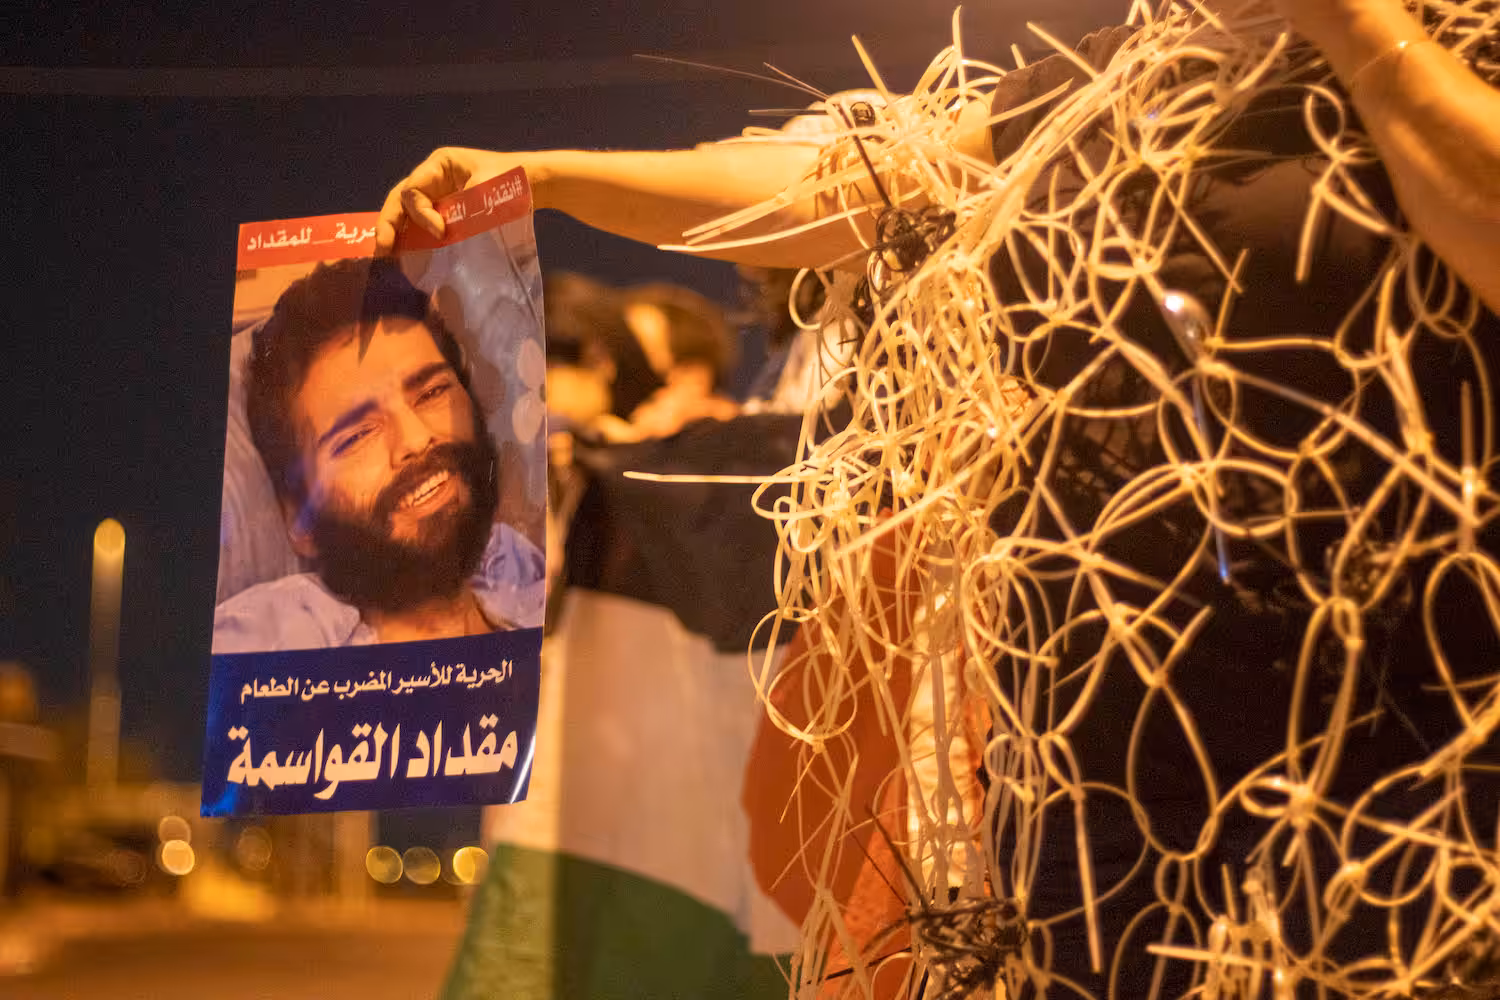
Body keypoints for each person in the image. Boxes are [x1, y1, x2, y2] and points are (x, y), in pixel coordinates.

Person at [378, 2, 1500, 995]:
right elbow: (836, 190)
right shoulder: (1125, 80)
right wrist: (543, 177)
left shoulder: (1465, 52)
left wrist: (1359, 30)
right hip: (1097, 747)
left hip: (1400, 744)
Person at [213, 258, 544, 654]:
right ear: (301, 519)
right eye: (357, 435)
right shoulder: (269, 643)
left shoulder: (522, 573)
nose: (417, 439)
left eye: (432, 392)